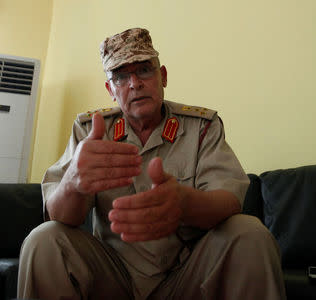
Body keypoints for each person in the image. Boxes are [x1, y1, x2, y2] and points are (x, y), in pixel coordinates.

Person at [17, 28, 286, 300]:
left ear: (163, 76)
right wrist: (73, 182)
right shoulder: (90, 131)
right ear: (110, 89)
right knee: (44, 239)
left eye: (144, 70)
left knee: (250, 233)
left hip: (186, 274)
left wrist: (183, 203)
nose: (134, 83)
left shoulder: (201, 127)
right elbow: (59, 216)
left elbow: (230, 201)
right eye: (121, 76)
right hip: (111, 276)